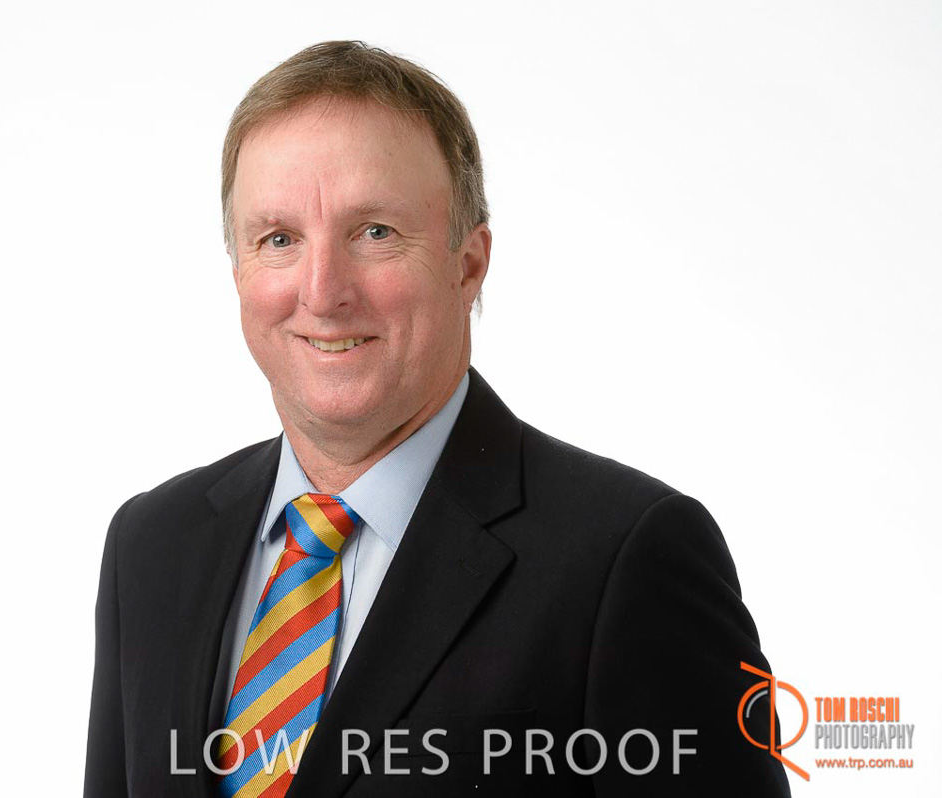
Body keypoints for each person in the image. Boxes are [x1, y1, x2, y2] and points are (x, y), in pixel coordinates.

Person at [83, 41, 793, 798]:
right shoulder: (151, 547)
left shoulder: (627, 558)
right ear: (238, 273)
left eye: (375, 232)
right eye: (279, 240)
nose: (322, 292)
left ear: (468, 263)